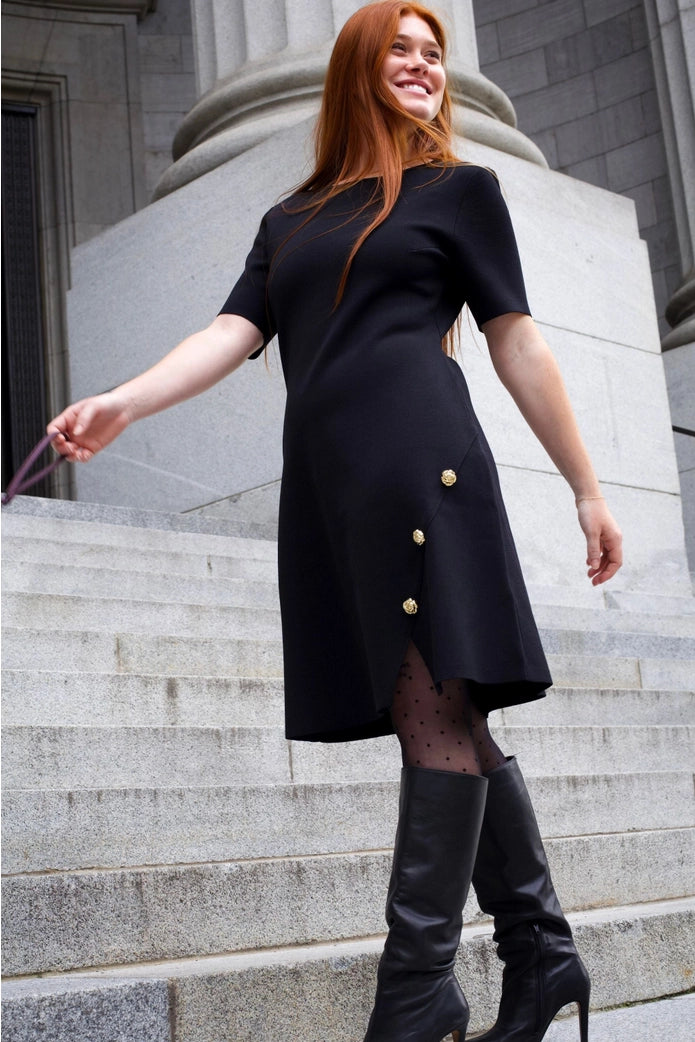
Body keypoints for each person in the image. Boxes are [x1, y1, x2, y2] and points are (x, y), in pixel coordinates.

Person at [48, 2, 622, 1040]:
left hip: (422, 465)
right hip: (330, 484)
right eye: (400, 49)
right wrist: (123, 402)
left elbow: (516, 340)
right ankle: (541, 955)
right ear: (357, 66)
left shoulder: (460, 190)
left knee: (429, 711)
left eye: (434, 53)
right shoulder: (290, 219)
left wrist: (584, 485)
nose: (423, 65)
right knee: (448, 710)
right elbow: (230, 332)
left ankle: (415, 992)